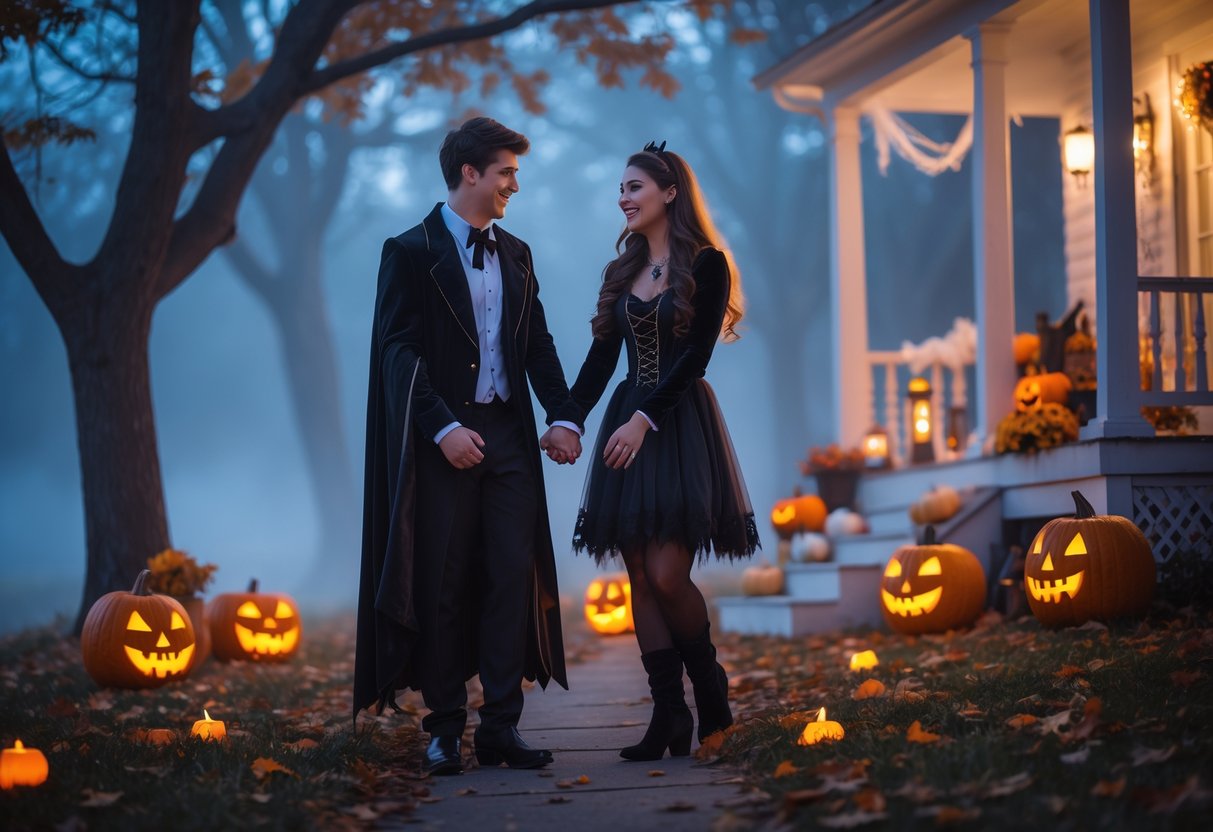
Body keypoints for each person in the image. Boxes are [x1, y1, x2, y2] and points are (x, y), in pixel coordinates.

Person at [353, 117, 584, 776]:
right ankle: (445, 727)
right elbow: (397, 353)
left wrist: (564, 416)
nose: (514, 182)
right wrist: (442, 428)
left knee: (512, 579)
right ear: (469, 174)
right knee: (444, 585)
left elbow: (535, 343)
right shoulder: (408, 250)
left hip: (510, 437)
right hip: (443, 441)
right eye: (506, 171)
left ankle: (502, 728)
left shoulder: (516, 252)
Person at [559, 141, 760, 761]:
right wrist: (567, 418)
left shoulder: (707, 264)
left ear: (669, 192)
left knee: (670, 572)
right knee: (639, 576)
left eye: (634, 187)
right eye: (620, 188)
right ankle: (669, 715)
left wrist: (644, 419)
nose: (623, 198)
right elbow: (599, 359)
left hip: (674, 422)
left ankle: (712, 692)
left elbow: (696, 355)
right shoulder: (622, 272)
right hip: (626, 421)